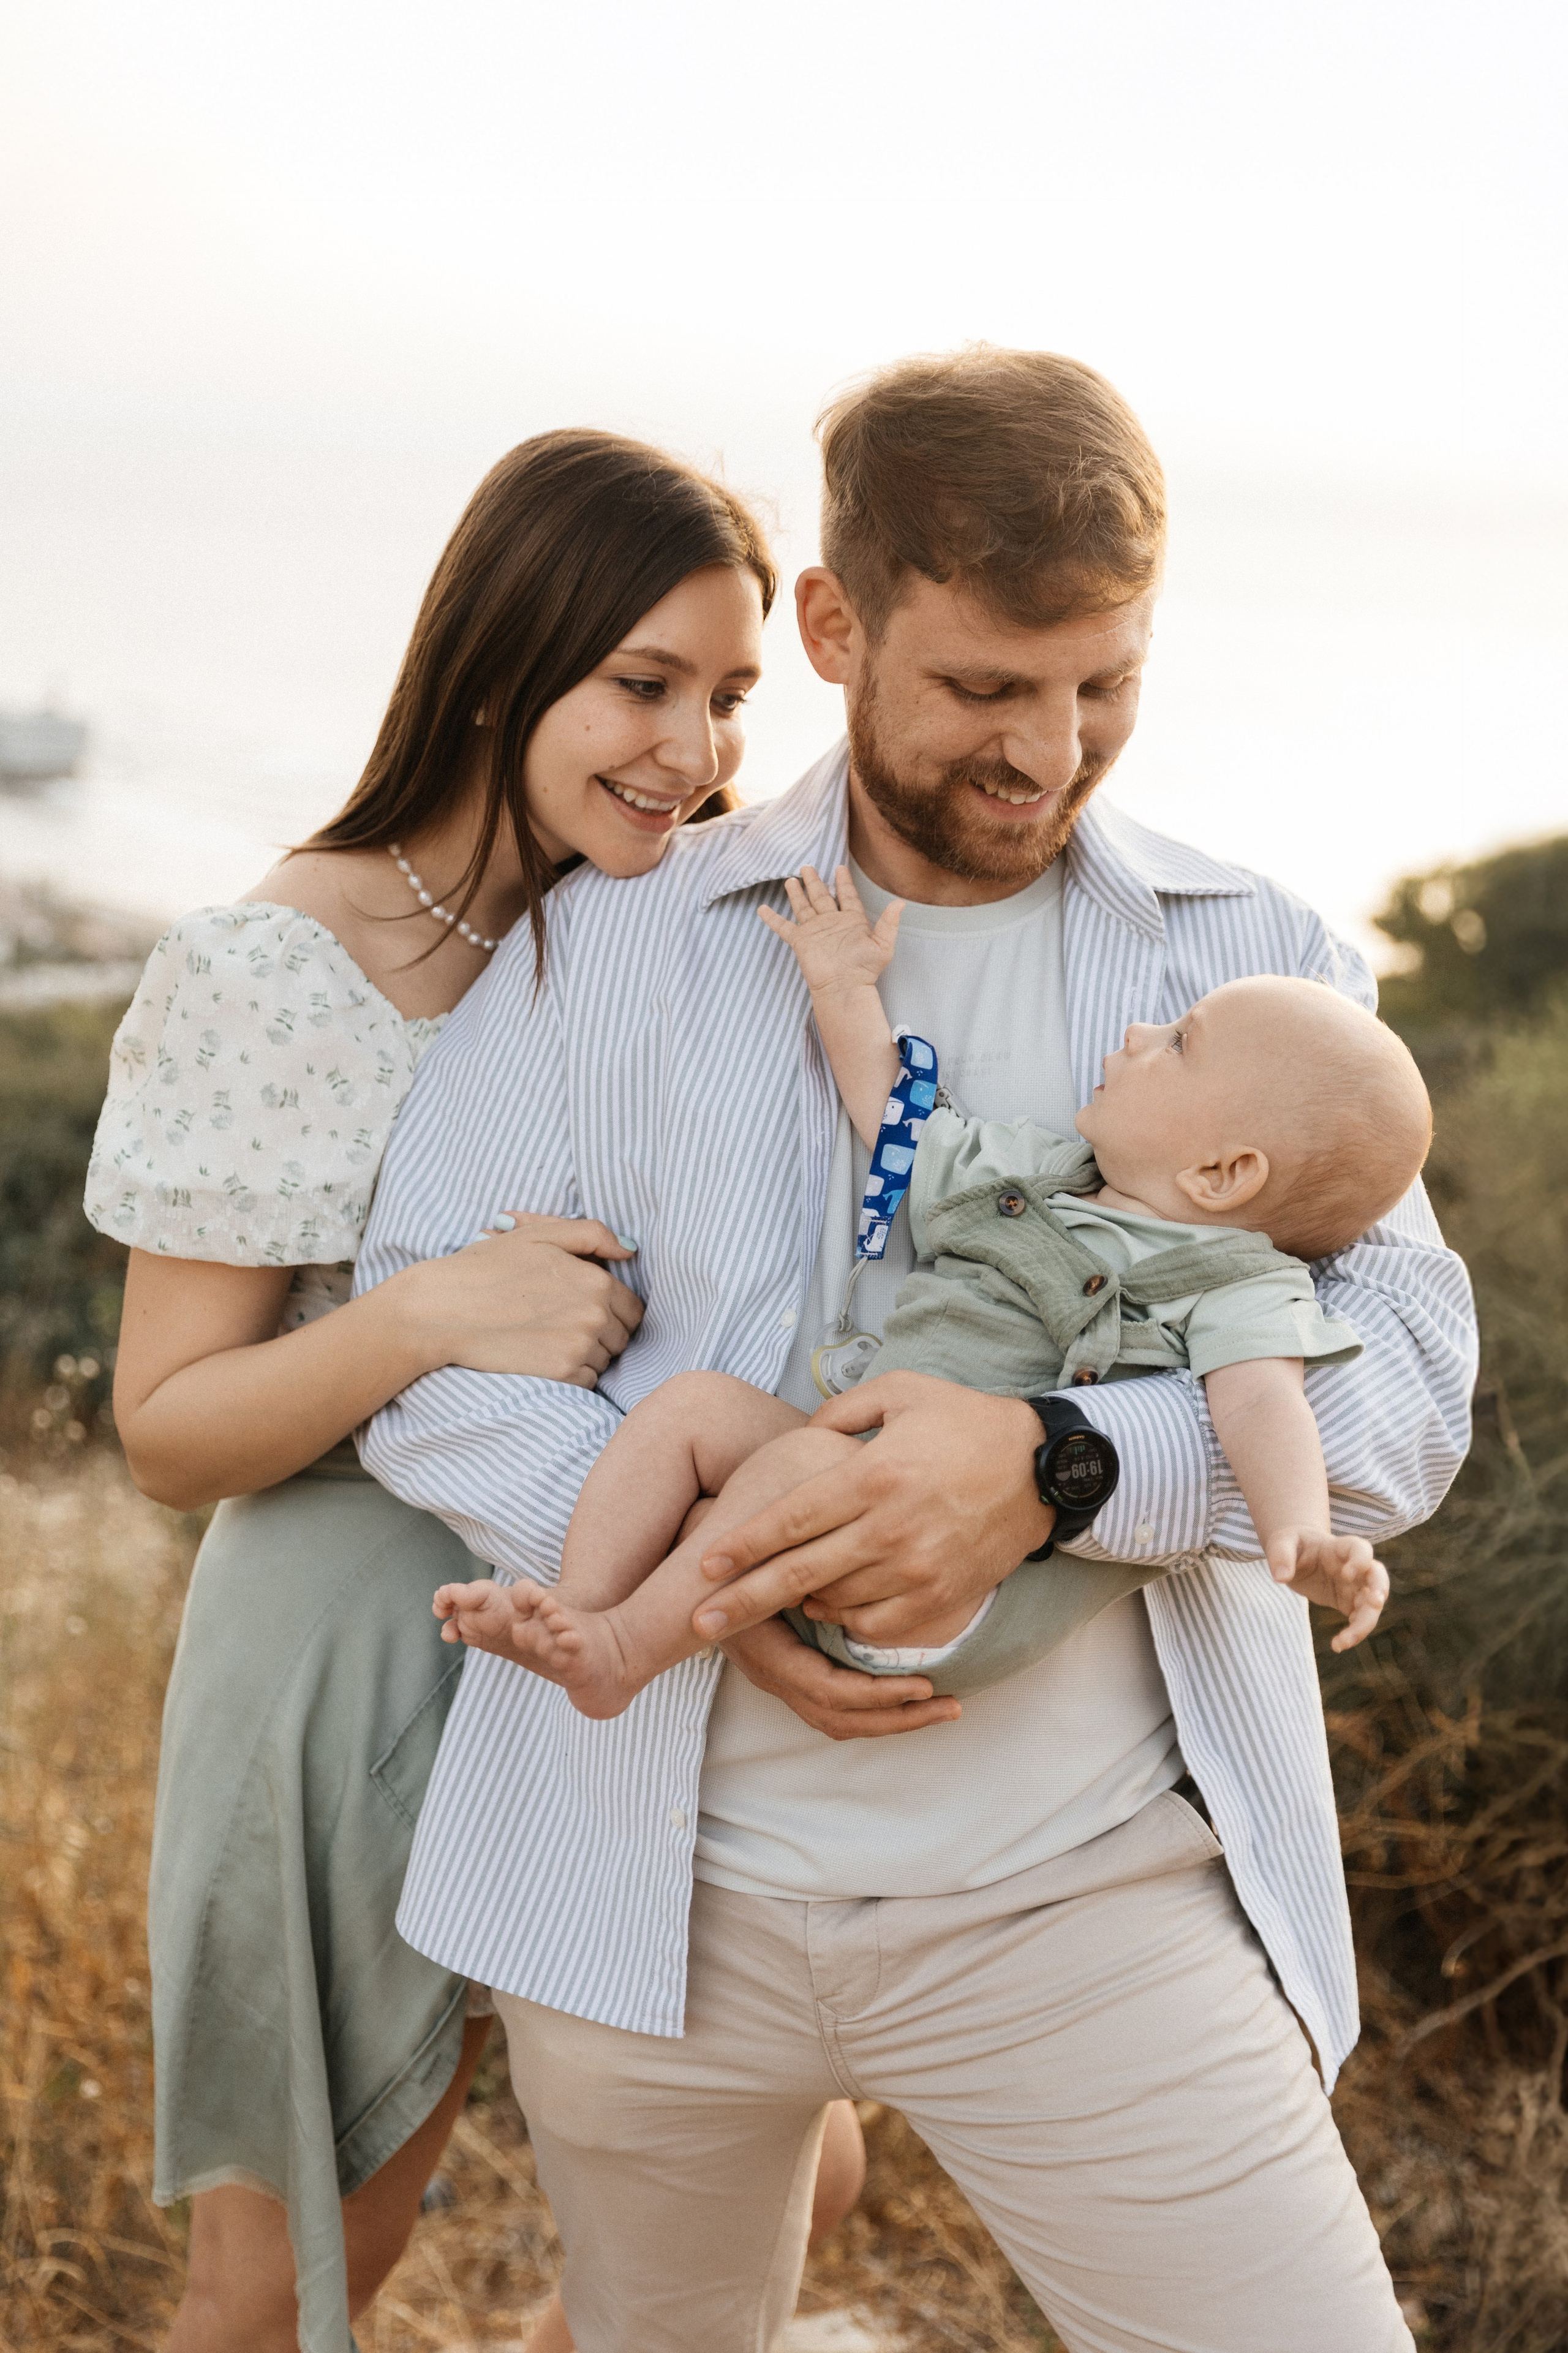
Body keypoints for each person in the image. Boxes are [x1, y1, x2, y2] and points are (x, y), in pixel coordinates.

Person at [354, 350, 1479, 2353]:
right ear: (838, 627)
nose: (1052, 753)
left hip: (1091, 1906)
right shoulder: (603, 931)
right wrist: (740, 1563)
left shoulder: (1263, 963)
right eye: (986, 688)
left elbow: (1394, 1400)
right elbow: (433, 1368)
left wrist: (1051, 1473)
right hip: (642, 1896)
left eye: (1105, 684)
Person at [86, 429, 867, 2353]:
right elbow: (169, 1427)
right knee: (305, 2262)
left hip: (629, 1615)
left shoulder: (674, 928)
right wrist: (428, 1313)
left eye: (730, 695)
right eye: (642, 685)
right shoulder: (285, 959)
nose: (693, 752)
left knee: (802, 2162)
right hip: (356, 1638)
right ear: (507, 657)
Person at [433, 893, 1434, 1713]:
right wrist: (840, 984)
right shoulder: (1039, 1171)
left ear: (1224, 1173)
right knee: (693, 1408)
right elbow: (893, 1110)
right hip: (851, 1469)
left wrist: (1299, 1536)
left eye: (1177, 1043)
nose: (1138, 1031)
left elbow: (1264, 1405)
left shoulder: (1234, 1283)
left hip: (967, 1586)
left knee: (797, 1464)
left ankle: (621, 1654)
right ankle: (576, 1605)